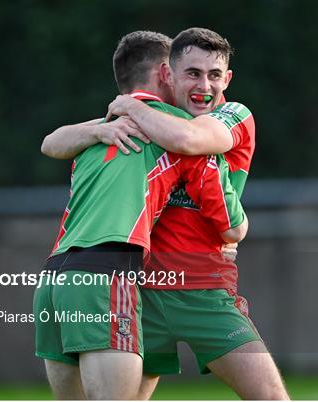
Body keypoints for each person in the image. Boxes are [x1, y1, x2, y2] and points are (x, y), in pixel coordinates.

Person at [43, 27, 290, 400]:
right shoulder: (142, 122)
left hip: (204, 289)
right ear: (168, 75)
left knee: (269, 395)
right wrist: (103, 126)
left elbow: (189, 139)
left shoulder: (230, 114)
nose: (204, 85)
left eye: (214, 75)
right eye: (192, 73)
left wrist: (129, 105)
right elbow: (52, 142)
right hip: (143, 288)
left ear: (228, 79)